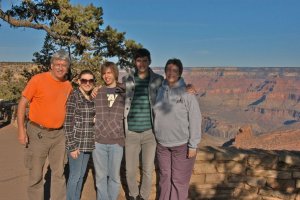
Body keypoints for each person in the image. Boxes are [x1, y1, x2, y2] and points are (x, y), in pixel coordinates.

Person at [17, 49, 73, 200]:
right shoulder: (38, 79)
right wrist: (21, 131)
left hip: (59, 135)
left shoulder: (68, 85)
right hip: (37, 133)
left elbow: (69, 108)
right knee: (35, 175)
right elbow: (22, 104)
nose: (60, 67)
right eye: (57, 64)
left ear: (67, 68)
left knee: (59, 174)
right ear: (51, 65)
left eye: (64, 65)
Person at [153, 58, 202, 200]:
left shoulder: (187, 93)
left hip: (181, 145)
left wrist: (193, 145)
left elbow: (195, 118)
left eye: (174, 70)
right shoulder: (160, 91)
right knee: (165, 179)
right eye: (168, 70)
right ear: (164, 71)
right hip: (162, 145)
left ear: (180, 72)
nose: (171, 73)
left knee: (179, 182)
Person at [123, 48, 164, 200]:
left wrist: (187, 86)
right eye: (139, 60)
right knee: (130, 170)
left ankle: (144, 197)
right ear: (135, 62)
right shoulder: (127, 79)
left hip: (149, 132)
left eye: (145, 60)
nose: (142, 63)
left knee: (147, 169)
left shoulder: (158, 79)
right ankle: (133, 195)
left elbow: (171, 90)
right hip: (131, 132)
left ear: (149, 61)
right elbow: (116, 91)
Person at [93, 62, 126, 200]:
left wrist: (187, 89)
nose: (106, 76)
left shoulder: (124, 92)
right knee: (100, 177)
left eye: (109, 72)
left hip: (117, 142)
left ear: (115, 73)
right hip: (98, 142)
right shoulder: (97, 92)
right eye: (104, 73)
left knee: (114, 177)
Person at [64, 70, 96, 200]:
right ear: (79, 81)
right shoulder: (74, 96)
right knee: (74, 176)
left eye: (90, 80)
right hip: (76, 143)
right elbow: (67, 122)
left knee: (81, 176)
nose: (87, 83)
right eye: (84, 80)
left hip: (88, 143)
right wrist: (72, 146)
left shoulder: (92, 96)